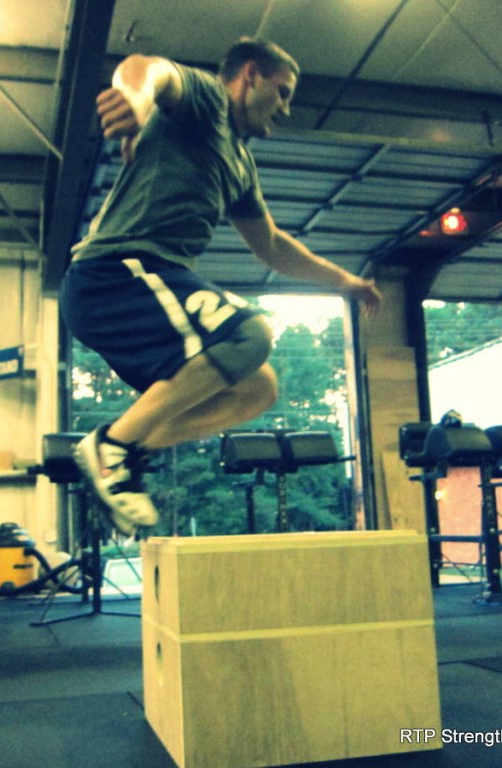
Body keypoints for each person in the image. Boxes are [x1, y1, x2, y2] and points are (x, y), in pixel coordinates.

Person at [61, 38, 382, 536]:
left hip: (145, 287)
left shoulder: (239, 164)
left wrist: (347, 282)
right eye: (282, 92)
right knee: (248, 334)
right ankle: (113, 448)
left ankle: (126, 451)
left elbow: (272, 245)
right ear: (250, 75)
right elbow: (148, 68)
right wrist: (137, 101)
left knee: (258, 388)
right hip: (115, 274)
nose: (286, 108)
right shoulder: (208, 102)